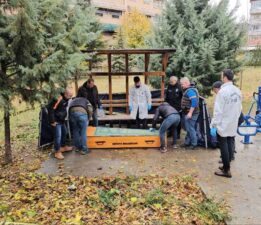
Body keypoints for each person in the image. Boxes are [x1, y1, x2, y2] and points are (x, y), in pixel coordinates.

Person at [210, 69, 242, 178]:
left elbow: (218, 111)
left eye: (221, 76)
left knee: (223, 144)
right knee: (229, 142)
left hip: (223, 123)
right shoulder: (237, 91)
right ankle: (225, 166)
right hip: (233, 121)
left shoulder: (222, 92)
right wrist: (235, 119)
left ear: (225, 77)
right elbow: (239, 108)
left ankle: (226, 170)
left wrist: (214, 124)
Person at [48, 89, 73, 160]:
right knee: (57, 136)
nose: (70, 98)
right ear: (65, 94)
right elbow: (51, 109)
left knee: (65, 133)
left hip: (61, 120)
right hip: (56, 121)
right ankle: (57, 152)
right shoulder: (58, 99)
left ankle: (63, 147)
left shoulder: (66, 99)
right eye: (70, 96)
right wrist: (52, 121)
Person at [180, 77, 200, 150]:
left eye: (182, 84)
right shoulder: (189, 90)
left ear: (186, 83)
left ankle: (194, 144)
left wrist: (190, 113)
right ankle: (187, 142)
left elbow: (194, 102)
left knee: (190, 128)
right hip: (188, 112)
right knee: (189, 128)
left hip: (192, 113)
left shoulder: (190, 91)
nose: (181, 86)